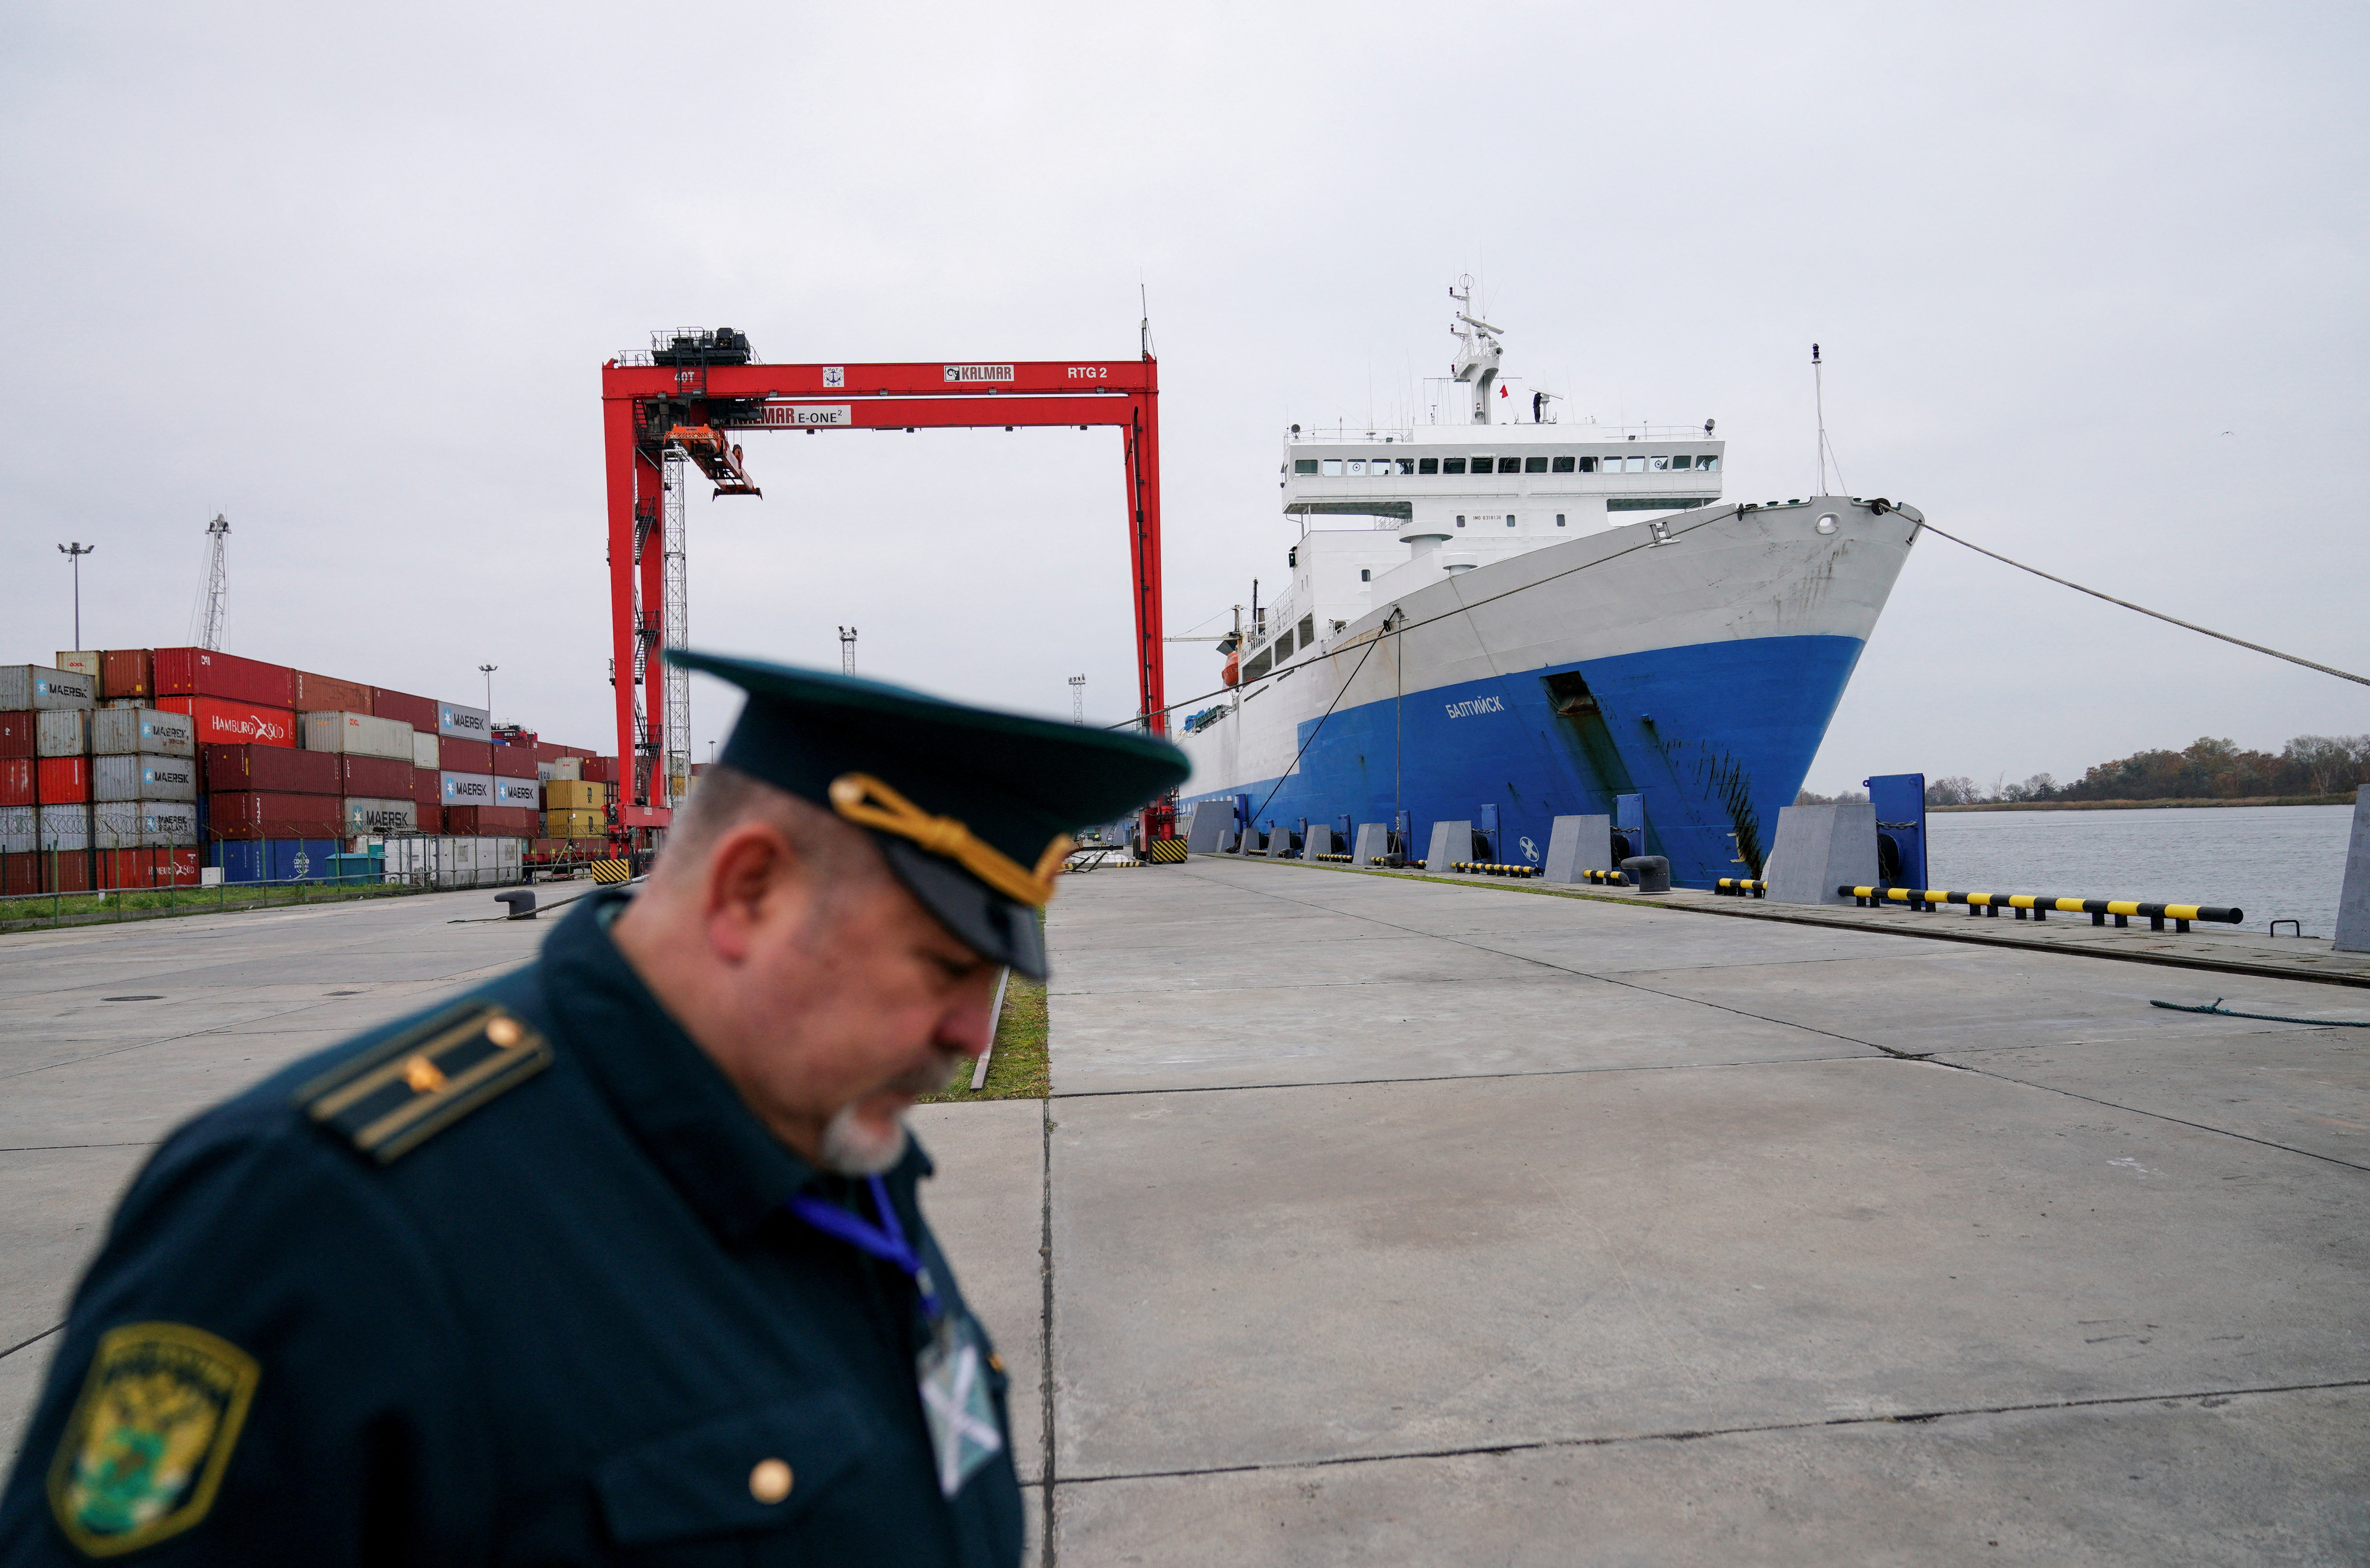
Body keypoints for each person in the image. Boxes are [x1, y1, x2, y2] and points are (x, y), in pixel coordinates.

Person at [0, 652, 1186, 1565]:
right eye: (941, 965)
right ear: (749, 888)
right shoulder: (312, 1228)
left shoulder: (831, 1143)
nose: (972, 1034)